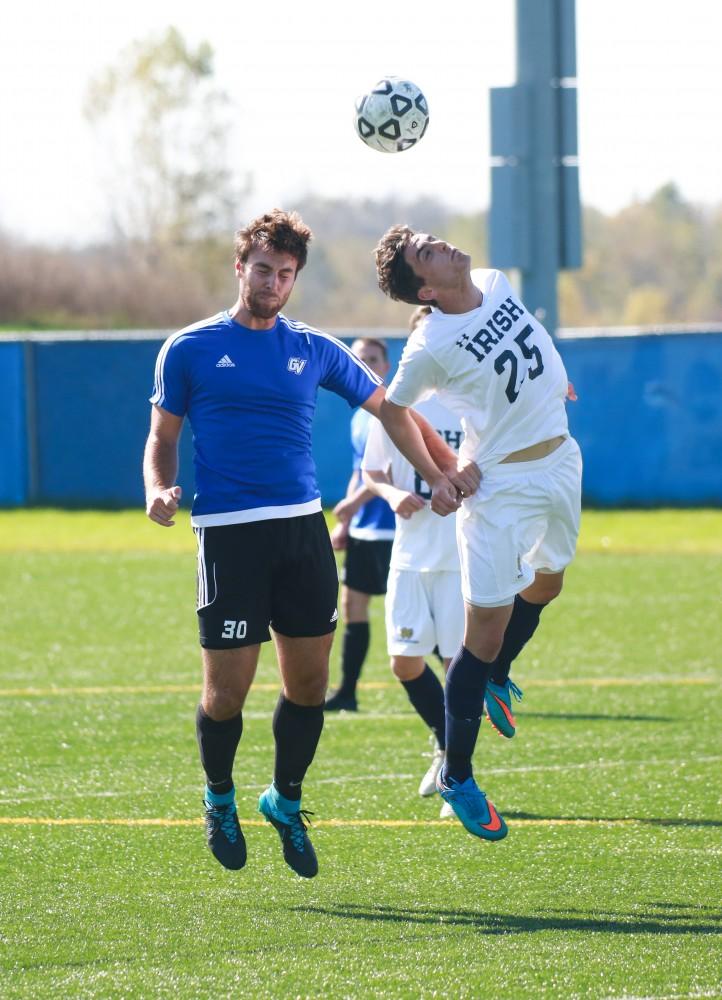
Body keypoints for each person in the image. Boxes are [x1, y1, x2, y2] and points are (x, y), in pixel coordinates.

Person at [143, 210, 468, 878]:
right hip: (230, 538)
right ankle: (219, 795)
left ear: (295, 279)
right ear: (241, 268)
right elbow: (164, 436)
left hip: (303, 532)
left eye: (285, 274)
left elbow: (391, 410)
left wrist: (438, 474)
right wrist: (158, 488)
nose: (273, 282)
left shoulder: (315, 347)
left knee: (310, 685)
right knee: (226, 694)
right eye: (263, 269)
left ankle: (285, 801)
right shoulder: (189, 348)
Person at [373, 226, 582, 843]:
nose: (438, 243)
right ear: (426, 287)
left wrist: (553, 381)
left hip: (561, 459)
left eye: (428, 237)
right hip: (501, 490)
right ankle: (457, 776)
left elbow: (528, 350)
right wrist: (440, 472)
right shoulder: (429, 344)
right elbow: (392, 408)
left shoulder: (494, 281)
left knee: (548, 583)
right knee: (482, 634)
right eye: (424, 251)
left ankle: (495, 676)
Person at [362, 306, 465, 817]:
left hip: (460, 557)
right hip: (409, 553)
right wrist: (388, 494)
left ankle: (459, 777)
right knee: (404, 663)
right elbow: (372, 471)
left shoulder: (471, 402)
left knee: (456, 669)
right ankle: (446, 745)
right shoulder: (396, 405)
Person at [325, 338, 394, 712]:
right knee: (352, 604)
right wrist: (346, 522)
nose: (365, 364)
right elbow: (360, 471)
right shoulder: (359, 415)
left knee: (420, 620)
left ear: (386, 365)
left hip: (396, 527)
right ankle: (348, 692)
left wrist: (352, 503)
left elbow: (390, 473)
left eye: (372, 359)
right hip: (365, 529)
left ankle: (465, 685)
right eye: (358, 359)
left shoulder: (393, 409)